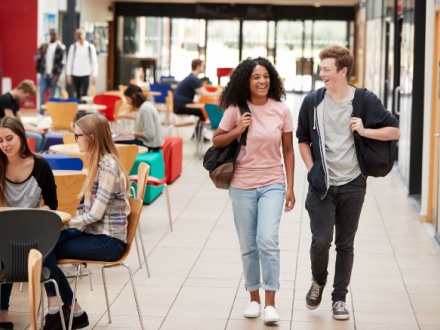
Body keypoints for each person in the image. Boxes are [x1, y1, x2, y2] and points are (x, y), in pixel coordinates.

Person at [296, 45, 400, 320]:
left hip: (354, 183)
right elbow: (303, 140)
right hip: (322, 185)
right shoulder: (312, 102)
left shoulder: (365, 100)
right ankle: (318, 281)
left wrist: (365, 130)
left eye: (326, 70)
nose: (322, 74)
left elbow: (394, 130)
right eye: (321, 69)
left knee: (345, 244)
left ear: (343, 71)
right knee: (321, 242)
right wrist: (311, 170)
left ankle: (339, 299)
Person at [212, 57, 295, 323]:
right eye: (256, 77)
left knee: (268, 239)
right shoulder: (236, 109)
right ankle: (254, 300)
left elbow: (288, 150)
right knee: (249, 245)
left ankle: (270, 303)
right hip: (241, 185)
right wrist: (239, 128)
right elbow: (216, 140)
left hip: (273, 182)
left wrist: (290, 186)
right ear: (246, 81)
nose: (262, 81)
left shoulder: (281, 110)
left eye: (266, 76)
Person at [42, 113, 130, 330]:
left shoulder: (107, 166)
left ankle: (60, 309)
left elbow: (95, 215)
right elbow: (90, 211)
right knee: (42, 244)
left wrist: (63, 223)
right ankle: (73, 310)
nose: (75, 139)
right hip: (94, 233)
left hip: (109, 242)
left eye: (78, 135)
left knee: (44, 250)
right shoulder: (99, 162)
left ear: (91, 137)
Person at [0, 116, 57, 330]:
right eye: (0, 141)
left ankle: (55, 304)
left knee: (47, 243)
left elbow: (52, 202)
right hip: (3, 229)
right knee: (4, 251)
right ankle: (3, 311)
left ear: (22, 137)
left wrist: (35, 218)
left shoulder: (40, 165)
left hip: (32, 231)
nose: (5, 145)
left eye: (9, 138)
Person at [173, 59, 222, 140]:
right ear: (198, 66)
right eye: (203, 66)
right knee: (203, 111)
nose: (204, 68)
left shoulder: (191, 78)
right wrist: (218, 92)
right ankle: (197, 136)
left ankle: (197, 135)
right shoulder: (193, 79)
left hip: (179, 105)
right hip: (179, 106)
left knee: (202, 111)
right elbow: (204, 94)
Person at [0, 80, 47, 152]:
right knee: (37, 138)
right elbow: (13, 124)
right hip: (5, 130)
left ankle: (38, 156)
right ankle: (32, 158)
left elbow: (20, 122)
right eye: (27, 97)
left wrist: (38, 129)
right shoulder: (5, 99)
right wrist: (36, 130)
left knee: (43, 136)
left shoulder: (15, 100)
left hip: (12, 128)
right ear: (22, 91)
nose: (26, 100)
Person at [118, 84, 164, 152]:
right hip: (149, 143)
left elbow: (149, 135)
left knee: (116, 143)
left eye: (127, 99)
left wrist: (131, 132)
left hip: (150, 145)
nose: (127, 103)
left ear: (133, 96)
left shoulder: (145, 109)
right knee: (120, 140)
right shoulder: (145, 106)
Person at [36, 28, 66, 115]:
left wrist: (57, 75)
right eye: (51, 34)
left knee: (53, 96)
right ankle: (41, 113)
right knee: (41, 94)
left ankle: (52, 113)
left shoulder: (60, 47)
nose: (52, 36)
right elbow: (36, 58)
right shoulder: (44, 46)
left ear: (57, 35)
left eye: (54, 34)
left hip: (54, 75)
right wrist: (42, 52)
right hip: (44, 75)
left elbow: (61, 63)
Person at [66, 28, 98, 100]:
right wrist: (68, 74)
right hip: (75, 73)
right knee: (77, 93)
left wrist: (94, 75)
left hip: (86, 73)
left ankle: (84, 110)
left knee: (84, 94)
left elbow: (94, 62)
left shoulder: (90, 47)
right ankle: (78, 109)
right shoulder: (73, 47)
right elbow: (69, 61)